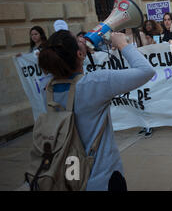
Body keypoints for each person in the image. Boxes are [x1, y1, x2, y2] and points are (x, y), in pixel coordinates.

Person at [38, 30, 155, 190]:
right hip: (103, 178)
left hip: (69, 177)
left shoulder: (48, 90)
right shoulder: (95, 82)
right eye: (77, 40)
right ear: (80, 54)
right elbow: (146, 71)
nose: (82, 39)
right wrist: (123, 44)